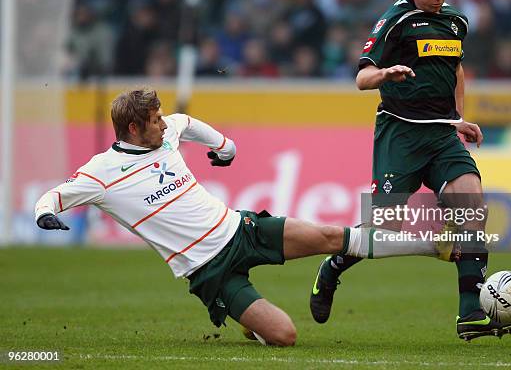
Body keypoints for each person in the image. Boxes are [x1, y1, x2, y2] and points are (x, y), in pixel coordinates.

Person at [35, 87, 441, 347]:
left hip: (240, 229)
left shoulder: (167, 130)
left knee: (333, 235)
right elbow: (55, 195)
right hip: (209, 271)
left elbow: (187, 123)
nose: (164, 122)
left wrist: (225, 146)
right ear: (133, 127)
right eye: (155, 119)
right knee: (285, 336)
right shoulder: (101, 173)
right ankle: (251, 323)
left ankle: (436, 247)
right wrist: (45, 214)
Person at [308, 0, 511, 341]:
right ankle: (333, 267)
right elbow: (361, 78)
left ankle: (470, 313)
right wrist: (386, 73)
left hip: (441, 137)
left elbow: (455, 68)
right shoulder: (395, 21)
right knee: (382, 230)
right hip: (400, 136)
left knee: (471, 205)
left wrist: (458, 118)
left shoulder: (456, 21)